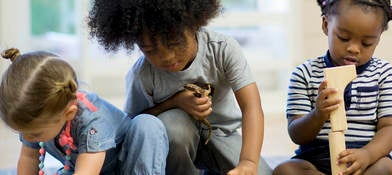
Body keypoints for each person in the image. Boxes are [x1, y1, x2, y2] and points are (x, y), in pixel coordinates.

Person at [86, 0, 272, 174]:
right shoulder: (142, 74)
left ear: (195, 25)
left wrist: (248, 162)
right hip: (174, 147)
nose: (166, 57)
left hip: (222, 134)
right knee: (173, 127)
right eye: (150, 49)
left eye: (174, 42)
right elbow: (136, 127)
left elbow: (251, 107)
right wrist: (175, 103)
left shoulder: (222, 49)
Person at [272, 0, 392, 175]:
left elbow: (391, 127)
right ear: (325, 25)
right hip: (315, 162)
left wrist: (367, 154)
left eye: (366, 43)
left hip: (364, 163)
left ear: (378, 37)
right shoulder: (304, 74)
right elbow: (296, 133)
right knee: (285, 170)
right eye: (343, 38)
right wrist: (318, 114)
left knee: (386, 168)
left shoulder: (384, 73)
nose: (353, 48)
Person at [0, 48, 168, 175]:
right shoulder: (35, 120)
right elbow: (29, 158)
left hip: (123, 166)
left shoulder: (92, 122)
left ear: (69, 113)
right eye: (24, 131)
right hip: (87, 169)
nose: (29, 137)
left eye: (35, 134)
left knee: (147, 125)